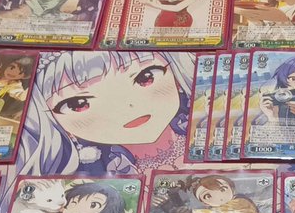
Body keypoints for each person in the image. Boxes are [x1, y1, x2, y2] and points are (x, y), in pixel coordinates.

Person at [19, 51, 195, 176]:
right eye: (79, 104)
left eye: (145, 77)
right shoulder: (87, 171)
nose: (126, 106)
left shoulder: (200, 121)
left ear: (177, 76)